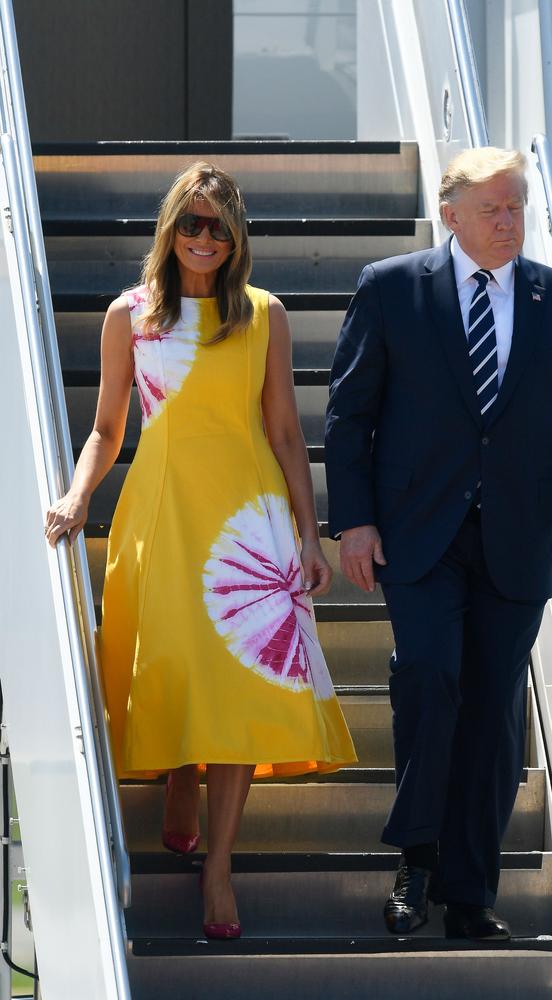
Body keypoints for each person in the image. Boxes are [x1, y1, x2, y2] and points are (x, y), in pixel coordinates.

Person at [324, 146, 552, 940]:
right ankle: (416, 858)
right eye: (493, 208)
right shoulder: (391, 289)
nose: (509, 222)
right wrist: (352, 521)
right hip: (417, 536)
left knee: (494, 710)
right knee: (428, 677)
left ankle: (469, 894)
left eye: (517, 207)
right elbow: (349, 415)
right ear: (452, 211)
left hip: (514, 538)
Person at [45, 161, 356, 940]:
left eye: (219, 224)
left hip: (249, 523)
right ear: (169, 229)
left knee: (240, 689)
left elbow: (286, 430)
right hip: (163, 512)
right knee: (178, 664)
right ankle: (180, 773)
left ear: (237, 233)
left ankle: (219, 867)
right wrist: (78, 496)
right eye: (191, 222)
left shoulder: (263, 314)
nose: (204, 238)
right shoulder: (131, 315)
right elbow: (107, 431)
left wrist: (308, 533)